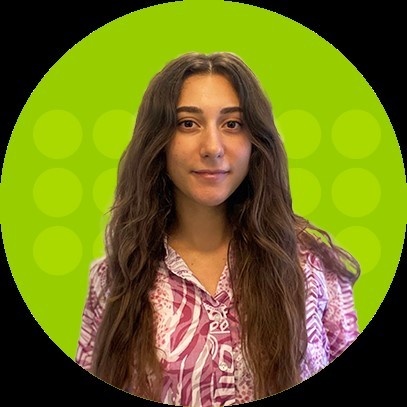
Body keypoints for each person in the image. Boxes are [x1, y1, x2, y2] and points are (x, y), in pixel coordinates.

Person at [75, 51, 361, 406]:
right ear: (157, 142)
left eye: (232, 124)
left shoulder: (314, 269)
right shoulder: (113, 279)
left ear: (256, 142)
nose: (212, 148)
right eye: (188, 124)